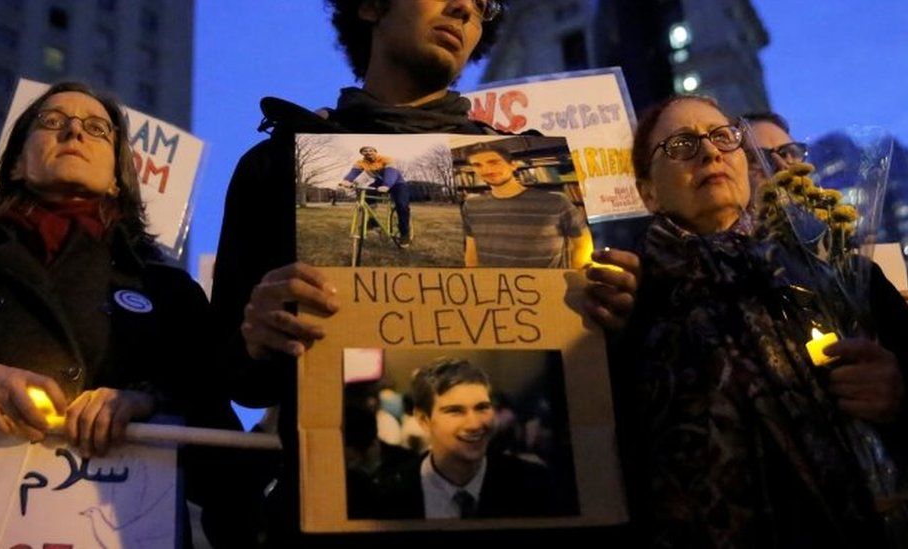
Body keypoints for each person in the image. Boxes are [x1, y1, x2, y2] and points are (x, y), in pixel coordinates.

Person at [211, 0, 638, 544]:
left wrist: (610, 320)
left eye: (485, 5)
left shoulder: (529, 168)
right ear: (369, 7)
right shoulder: (275, 165)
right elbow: (233, 379)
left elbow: (577, 363)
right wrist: (256, 336)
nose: (464, 8)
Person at [624, 94, 908, 547]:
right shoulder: (632, 303)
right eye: (680, 144)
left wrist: (899, 393)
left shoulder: (839, 273)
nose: (710, 151)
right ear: (648, 192)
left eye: (723, 137)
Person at [0, 82, 215, 460]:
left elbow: (216, 423)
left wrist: (148, 400)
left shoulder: (168, 288)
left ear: (118, 176)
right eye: (51, 121)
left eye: (97, 128)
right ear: (16, 163)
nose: (74, 131)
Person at [365, 359, 576, 520]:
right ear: (423, 419)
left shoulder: (535, 484)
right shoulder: (385, 494)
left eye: (482, 407)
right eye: (455, 411)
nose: (474, 424)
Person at [461, 142, 590, 268]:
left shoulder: (556, 202)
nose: (487, 170)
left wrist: (575, 281)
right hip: (495, 285)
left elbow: (583, 243)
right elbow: (471, 250)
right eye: (477, 165)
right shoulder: (471, 205)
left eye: (494, 162)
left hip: (547, 286)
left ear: (513, 165)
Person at [341, 146, 411, 246]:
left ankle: (405, 234)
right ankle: (372, 220)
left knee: (402, 205)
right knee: (363, 193)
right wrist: (346, 181)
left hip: (397, 184)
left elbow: (391, 174)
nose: (368, 152)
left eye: (371, 150)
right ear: (362, 154)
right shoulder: (360, 163)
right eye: (365, 151)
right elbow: (353, 173)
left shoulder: (386, 159)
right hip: (380, 184)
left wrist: (387, 185)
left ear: (375, 152)